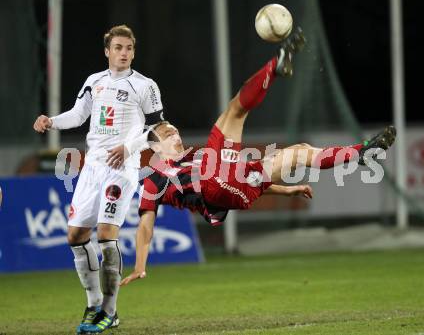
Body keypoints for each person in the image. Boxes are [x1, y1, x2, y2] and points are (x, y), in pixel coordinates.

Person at [119, 35, 396, 286]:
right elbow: (146, 225)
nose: (176, 134)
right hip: (217, 187)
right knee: (235, 111)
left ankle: (360, 153)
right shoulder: (154, 180)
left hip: (243, 190)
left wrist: (287, 189)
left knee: (299, 152)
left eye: (175, 130)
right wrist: (140, 266)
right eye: (168, 133)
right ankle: (276, 65)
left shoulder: (194, 157)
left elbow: (236, 182)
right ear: (153, 146)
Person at [33, 25, 165, 334]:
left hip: (122, 168)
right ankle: (93, 304)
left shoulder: (145, 86)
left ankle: (110, 310)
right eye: (118, 47)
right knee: (75, 236)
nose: (124, 53)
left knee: (107, 235)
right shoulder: (95, 82)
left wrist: (128, 147)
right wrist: (51, 122)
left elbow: (159, 129)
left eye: (129, 48)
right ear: (107, 51)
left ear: (133, 51)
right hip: (92, 168)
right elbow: (78, 115)